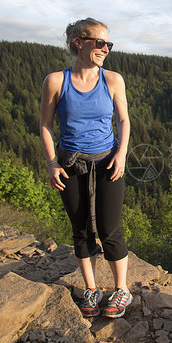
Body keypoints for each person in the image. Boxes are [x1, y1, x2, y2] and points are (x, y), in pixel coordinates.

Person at [40, 17, 132, 319]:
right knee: (81, 229)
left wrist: (121, 154)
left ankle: (121, 291)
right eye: (100, 43)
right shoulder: (56, 81)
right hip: (70, 164)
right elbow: (45, 125)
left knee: (110, 229)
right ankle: (91, 290)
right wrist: (52, 162)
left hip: (107, 162)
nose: (106, 49)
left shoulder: (113, 80)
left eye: (109, 44)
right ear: (79, 42)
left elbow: (123, 120)